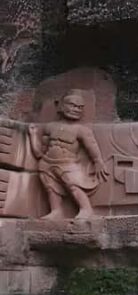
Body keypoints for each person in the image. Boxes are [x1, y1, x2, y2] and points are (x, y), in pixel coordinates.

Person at [28, 90, 108, 219]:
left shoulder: (81, 130)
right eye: (72, 105)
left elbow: (91, 146)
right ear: (61, 105)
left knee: (73, 185)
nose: (76, 109)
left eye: (80, 107)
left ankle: (86, 209)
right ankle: (56, 211)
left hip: (68, 163)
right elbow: (39, 153)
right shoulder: (50, 127)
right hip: (47, 163)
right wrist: (32, 136)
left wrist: (98, 161)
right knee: (51, 188)